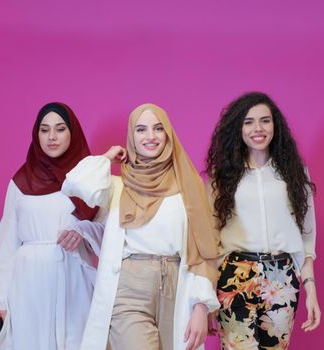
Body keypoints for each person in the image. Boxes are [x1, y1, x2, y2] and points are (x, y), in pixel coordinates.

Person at [62, 103, 220, 350]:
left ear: (168, 134)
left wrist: (201, 305)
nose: (150, 136)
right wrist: (107, 157)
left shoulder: (188, 187)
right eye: (141, 129)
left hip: (176, 285)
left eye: (158, 128)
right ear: (131, 137)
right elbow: (74, 184)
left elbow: (204, 249)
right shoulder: (117, 186)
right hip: (128, 288)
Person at [0, 102, 104, 349]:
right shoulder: (21, 182)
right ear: (36, 135)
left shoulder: (89, 179)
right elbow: (7, 241)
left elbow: (106, 229)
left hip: (75, 279)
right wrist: (0, 302)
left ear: (73, 132)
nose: (52, 137)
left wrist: (82, 231)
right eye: (44, 130)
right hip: (28, 283)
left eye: (60, 129)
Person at [205, 92, 321, 349]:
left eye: (265, 121)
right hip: (234, 275)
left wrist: (311, 288)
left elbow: (306, 233)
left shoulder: (294, 173)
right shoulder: (220, 177)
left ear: (275, 125)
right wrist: (205, 294)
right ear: (238, 128)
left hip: (282, 276)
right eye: (248, 122)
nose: (257, 128)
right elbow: (210, 236)